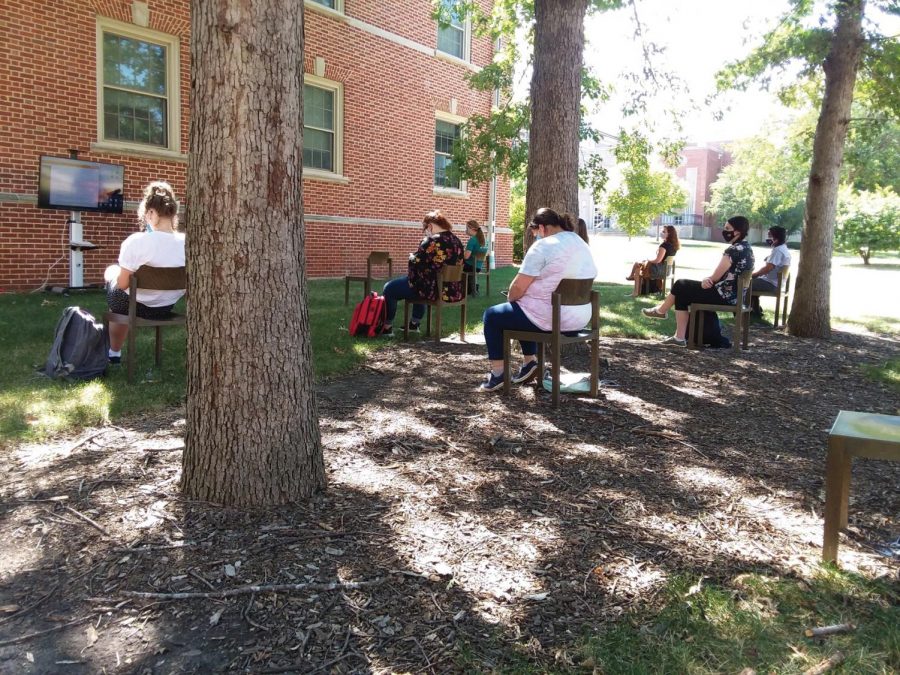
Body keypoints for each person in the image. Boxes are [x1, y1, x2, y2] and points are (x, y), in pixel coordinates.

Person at [479, 207, 598, 392]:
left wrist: (511, 299)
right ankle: (529, 363)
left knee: (493, 316)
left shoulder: (544, 246)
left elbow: (518, 287)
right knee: (523, 309)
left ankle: (498, 374)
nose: (536, 237)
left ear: (542, 228)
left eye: (535, 233)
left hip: (551, 316)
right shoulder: (581, 243)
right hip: (581, 317)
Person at [641, 215, 755, 346]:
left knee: (680, 284)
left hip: (724, 295)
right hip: (736, 296)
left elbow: (715, 277)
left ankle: (662, 313)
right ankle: (677, 336)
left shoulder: (733, 250)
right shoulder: (747, 248)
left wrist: (707, 279)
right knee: (683, 291)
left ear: (737, 232)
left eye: (728, 228)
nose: (725, 231)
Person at [104, 181, 186, 364]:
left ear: (150, 213)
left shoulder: (137, 241)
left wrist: (111, 275)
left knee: (113, 277)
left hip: (134, 306)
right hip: (166, 307)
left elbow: (123, 284)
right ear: (173, 213)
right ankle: (113, 352)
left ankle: (114, 353)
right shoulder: (187, 243)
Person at [381, 210, 464, 335]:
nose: (426, 230)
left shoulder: (431, 241)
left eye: (425, 227)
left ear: (430, 225)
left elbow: (417, 262)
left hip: (432, 288)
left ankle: (386, 327)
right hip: (451, 289)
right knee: (420, 283)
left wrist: (411, 257)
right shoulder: (457, 241)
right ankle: (414, 324)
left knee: (390, 288)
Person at [626, 225, 680, 297]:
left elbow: (658, 260)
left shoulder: (664, 246)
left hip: (659, 270)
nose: (662, 233)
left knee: (638, 269)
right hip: (667, 271)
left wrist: (649, 260)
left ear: (669, 234)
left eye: (664, 232)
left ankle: (635, 291)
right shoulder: (674, 245)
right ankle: (631, 277)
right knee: (638, 264)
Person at [750, 225, 791, 316]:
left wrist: (754, 275)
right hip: (775, 282)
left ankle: (745, 311)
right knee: (751, 283)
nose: (767, 238)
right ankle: (755, 311)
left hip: (772, 284)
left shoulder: (778, 251)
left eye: (769, 236)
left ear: (776, 237)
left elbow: (768, 268)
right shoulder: (783, 248)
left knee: (743, 284)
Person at [462, 219, 489, 296]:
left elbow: (466, 257)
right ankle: (473, 288)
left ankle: (459, 289)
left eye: (467, 228)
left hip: (470, 266)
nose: (466, 230)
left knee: (455, 264)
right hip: (478, 267)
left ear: (472, 229)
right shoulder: (484, 240)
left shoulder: (472, 240)